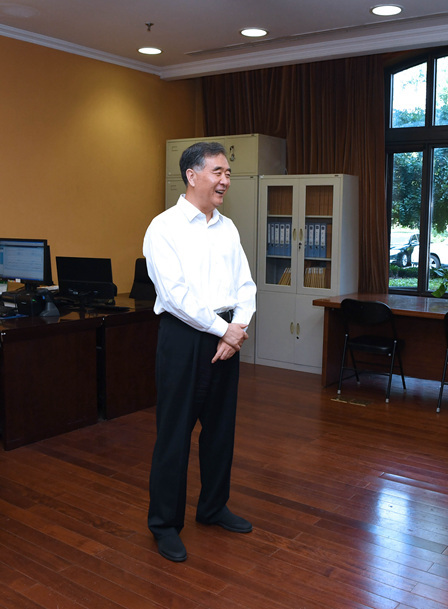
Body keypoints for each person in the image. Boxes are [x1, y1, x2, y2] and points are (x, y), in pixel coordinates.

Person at [142, 141, 257, 563]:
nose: (225, 180)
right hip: (185, 338)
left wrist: (237, 327)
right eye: (218, 172)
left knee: (220, 430)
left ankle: (212, 507)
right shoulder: (164, 227)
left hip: (227, 335)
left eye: (228, 173)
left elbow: (246, 285)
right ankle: (164, 524)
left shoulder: (228, 228)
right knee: (174, 435)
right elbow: (175, 296)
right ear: (192, 176)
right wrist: (226, 331)